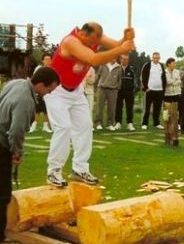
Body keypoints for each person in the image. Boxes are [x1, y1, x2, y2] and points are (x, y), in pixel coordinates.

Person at [45, 22, 135, 187]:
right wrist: (122, 49)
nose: (93, 44)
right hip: (56, 89)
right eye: (90, 41)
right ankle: (54, 171)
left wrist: (125, 38)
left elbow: (116, 45)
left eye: (97, 40)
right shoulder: (70, 42)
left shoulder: (94, 37)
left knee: (85, 126)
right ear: (82, 34)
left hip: (75, 90)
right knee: (63, 128)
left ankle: (80, 169)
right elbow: (93, 58)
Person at [0, 67, 59, 244]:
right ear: (41, 84)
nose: (50, 92)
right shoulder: (26, 100)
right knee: (2, 192)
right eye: (50, 89)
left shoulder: (15, 83)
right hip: (1, 144)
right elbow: (16, 130)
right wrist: (16, 152)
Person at [141, 52, 166, 130]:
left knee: (157, 108)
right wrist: (145, 88)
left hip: (159, 90)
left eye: (158, 58)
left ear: (159, 58)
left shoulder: (161, 65)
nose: (156, 59)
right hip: (149, 90)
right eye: (155, 57)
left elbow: (163, 77)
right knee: (147, 108)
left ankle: (156, 123)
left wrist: (163, 88)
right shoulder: (147, 65)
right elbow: (143, 76)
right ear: (152, 57)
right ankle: (144, 123)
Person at [95, 58, 122, 131]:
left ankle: (109, 124)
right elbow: (98, 75)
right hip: (102, 88)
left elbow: (120, 79)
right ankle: (98, 123)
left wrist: (117, 88)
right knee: (100, 107)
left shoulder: (119, 67)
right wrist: (95, 86)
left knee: (112, 108)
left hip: (113, 90)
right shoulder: (103, 64)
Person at [30, 53, 54, 133]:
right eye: (46, 59)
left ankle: (45, 126)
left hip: (49, 92)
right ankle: (33, 126)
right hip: (40, 91)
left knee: (47, 109)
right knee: (37, 109)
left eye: (49, 59)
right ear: (43, 60)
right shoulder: (39, 68)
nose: (48, 61)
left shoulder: (52, 69)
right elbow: (34, 80)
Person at [115, 54, 137, 131]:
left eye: (126, 59)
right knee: (118, 107)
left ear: (128, 60)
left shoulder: (131, 69)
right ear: (120, 59)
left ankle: (129, 123)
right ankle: (118, 123)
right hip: (119, 91)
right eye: (123, 59)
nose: (125, 61)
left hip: (129, 91)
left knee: (129, 108)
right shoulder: (117, 68)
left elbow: (135, 81)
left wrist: (133, 89)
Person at [164, 58, 181, 147]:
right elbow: (167, 82)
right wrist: (174, 81)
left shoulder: (177, 71)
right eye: (173, 63)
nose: (174, 65)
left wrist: (173, 82)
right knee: (167, 113)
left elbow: (179, 81)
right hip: (167, 94)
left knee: (175, 112)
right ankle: (168, 132)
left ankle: (176, 125)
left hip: (176, 93)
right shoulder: (164, 72)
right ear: (168, 64)